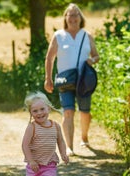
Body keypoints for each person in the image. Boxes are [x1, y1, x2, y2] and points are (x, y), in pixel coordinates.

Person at [44, 3, 100, 156]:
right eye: (70, 14)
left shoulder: (87, 36)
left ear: (80, 18)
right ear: (65, 18)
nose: (73, 18)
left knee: (85, 112)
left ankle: (84, 137)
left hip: (83, 81)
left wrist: (92, 61)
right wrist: (48, 79)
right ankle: (69, 147)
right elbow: (49, 58)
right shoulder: (59, 36)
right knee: (68, 112)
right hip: (65, 80)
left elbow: (96, 55)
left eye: (76, 14)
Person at [22, 92, 69, 176]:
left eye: (42, 109)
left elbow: (60, 141)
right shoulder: (32, 127)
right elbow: (25, 145)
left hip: (50, 164)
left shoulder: (55, 126)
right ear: (31, 113)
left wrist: (63, 153)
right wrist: (31, 161)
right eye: (35, 111)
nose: (39, 113)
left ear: (48, 108)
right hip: (34, 166)